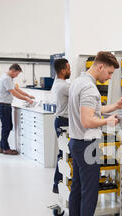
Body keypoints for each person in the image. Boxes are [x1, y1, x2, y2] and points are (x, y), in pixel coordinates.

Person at [68, 51, 122, 216]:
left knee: (78, 188)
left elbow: (93, 110)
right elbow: (88, 120)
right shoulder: (89, 88)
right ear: (100, 66)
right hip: (88, 145)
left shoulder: (79, 82)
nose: (110, 77)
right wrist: (108, 122)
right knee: (90, 192)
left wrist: (116, 106)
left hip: (77, 142)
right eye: (110, 73)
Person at [0, 63, 35, 155]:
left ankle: (2, 147)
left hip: (3, 105)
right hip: (3, 105)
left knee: (7, 126)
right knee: (7, 127)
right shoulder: (6, 79)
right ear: (13, 71)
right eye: (17, 74)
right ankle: (5, 148)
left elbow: (17, 89)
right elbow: (14, 93)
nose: (17, 76)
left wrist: (28, 95)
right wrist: (27, 99)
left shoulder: (8, 78)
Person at [51, 58, 71, 194]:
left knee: (63, 153)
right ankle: (58, 183)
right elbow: (79, 95)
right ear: (63, 70)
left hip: (61, 120)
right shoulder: (64, 86)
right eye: (68, 68)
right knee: (64, 154)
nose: (70, 71)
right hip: (64, 122)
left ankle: (59, 183)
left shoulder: (58, 83)